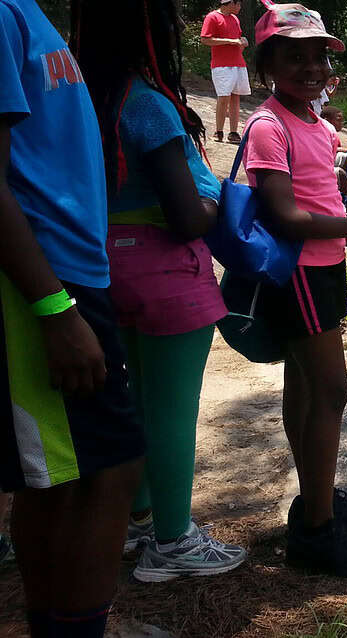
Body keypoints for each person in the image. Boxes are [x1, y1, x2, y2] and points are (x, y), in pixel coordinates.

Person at [71, 0, 247, 582]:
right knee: (172, 412)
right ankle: (174, 542)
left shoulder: (83, 97)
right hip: (168, 280)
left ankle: (141, 518)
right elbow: (186, 219)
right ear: (152, 34)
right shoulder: (147, 105)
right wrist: (214, 195)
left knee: (137, 399)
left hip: (106, 270)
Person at [245, 3, 347, 577]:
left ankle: (316, 494)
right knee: (332, 392)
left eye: (319, 55)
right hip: (301, 275)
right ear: (266, 63)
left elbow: (323, 202)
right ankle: (315, 530)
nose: (311, 66)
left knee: (308, 387)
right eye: (295, 55)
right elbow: (287, 217)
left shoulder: (314, 123)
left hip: (325, 266)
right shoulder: (268, 125)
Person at [0, 1, 146, 635]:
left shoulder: (27, 11)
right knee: (105, 472)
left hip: (71, 273)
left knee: (60, 479)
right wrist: (54, 308)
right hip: (43, 280)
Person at [200, 0, 250, 143]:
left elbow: (237, 42)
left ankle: (233, 133)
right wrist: (229, 41)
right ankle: (219, 131)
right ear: (230, 4)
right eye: (238, 4)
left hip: (238, 63)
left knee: (235, 97)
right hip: (221, 65)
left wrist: (243, 43)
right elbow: (205, 39)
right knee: (224, 97)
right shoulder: (213, 17)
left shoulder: (235, 19)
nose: (240, 7)